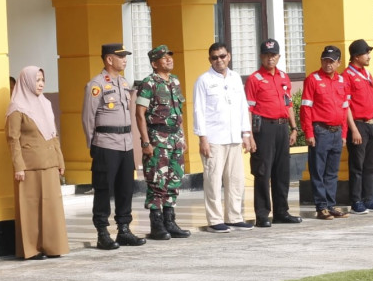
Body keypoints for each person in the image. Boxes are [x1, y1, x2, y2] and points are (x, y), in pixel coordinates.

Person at [82, 43, 146, 250]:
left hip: (126, 144)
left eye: (125, 56)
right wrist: (92, 143)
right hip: (106, 143)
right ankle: (102, 232)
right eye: (121, 56)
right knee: (103, 189)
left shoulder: (124, 83)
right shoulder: (96, 84)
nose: (125, 59)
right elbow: (88, 118)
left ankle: (124, 230)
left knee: (125, 188)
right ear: (109, 59)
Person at [5, 66, 69, 260]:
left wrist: (60, 160)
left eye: (42, 80)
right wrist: (19, 166)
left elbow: (53, 134)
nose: (40, 84)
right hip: (29, 166)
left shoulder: (45, 104)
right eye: (36, 80)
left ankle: (52, 246)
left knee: (52, 206)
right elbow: (12, 139)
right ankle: (32, 249)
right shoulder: (17, 107)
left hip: (49, 162)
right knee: (30, 207)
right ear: (26, 82)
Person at [193, 43, 255, 233]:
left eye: (222, 56)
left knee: (235, 180)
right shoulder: (203, 80)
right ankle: (214, 219)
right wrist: (203, 138)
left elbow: (242, 107)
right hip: (214, 138)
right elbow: (198, 111)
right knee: (212, 180)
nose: (219, 60)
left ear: (229, 56)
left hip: (234, 137)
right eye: (214, 57)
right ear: (210, 59)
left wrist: (246, 133)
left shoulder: (236, 78)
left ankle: (235, 217)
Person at [244, 38, 302, 228]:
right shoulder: (254, 79)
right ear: (261, 56)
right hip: (264, 129)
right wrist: (250, 135)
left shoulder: (283, 77)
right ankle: (262, 214)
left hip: (282, 127)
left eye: (274, 55)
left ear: (278, 56)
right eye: (267, 55)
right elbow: (249, 109)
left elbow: (289, 104)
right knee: (263, 171)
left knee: (282, 172)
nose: (270, 59)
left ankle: (281, 212)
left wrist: (294, 128)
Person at [135, 44, 190, 240]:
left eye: (169, 56)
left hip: (175, 138)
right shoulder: (149, 83)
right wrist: (145, 142)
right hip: (158, 139)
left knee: (174, 180)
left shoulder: (174, 81)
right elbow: (140, 114)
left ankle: (170, 221)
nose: (169, 59)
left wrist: (182, 136)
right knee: (157, 182)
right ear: (154, 63)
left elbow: (178, 113)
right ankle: (156, 224)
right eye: (163, 57)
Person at [301, 45, 351, 220]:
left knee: (332, 172)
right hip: (320, 131)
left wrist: (344, 134)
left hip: (337, 132)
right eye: (325, 60)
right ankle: (321, 207)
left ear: (339, 63)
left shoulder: (342, 81)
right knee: (318, 171)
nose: (328, 64)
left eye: (331, 61)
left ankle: (331, 205)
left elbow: (345, 109)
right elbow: (306, 108)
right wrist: (309, 133)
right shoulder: (313, 79)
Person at [344, 39, 373, 215]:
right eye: (366, 53)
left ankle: (368, 198)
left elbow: (372, 101)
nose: (369, 56)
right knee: (357, 165)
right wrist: (353, 129)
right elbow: (345, 105)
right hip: (359, 125)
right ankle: (356, 201)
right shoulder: (347, 76)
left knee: (370, 164)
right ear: (356, 56)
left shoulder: (367, 74)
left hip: (371, 125)